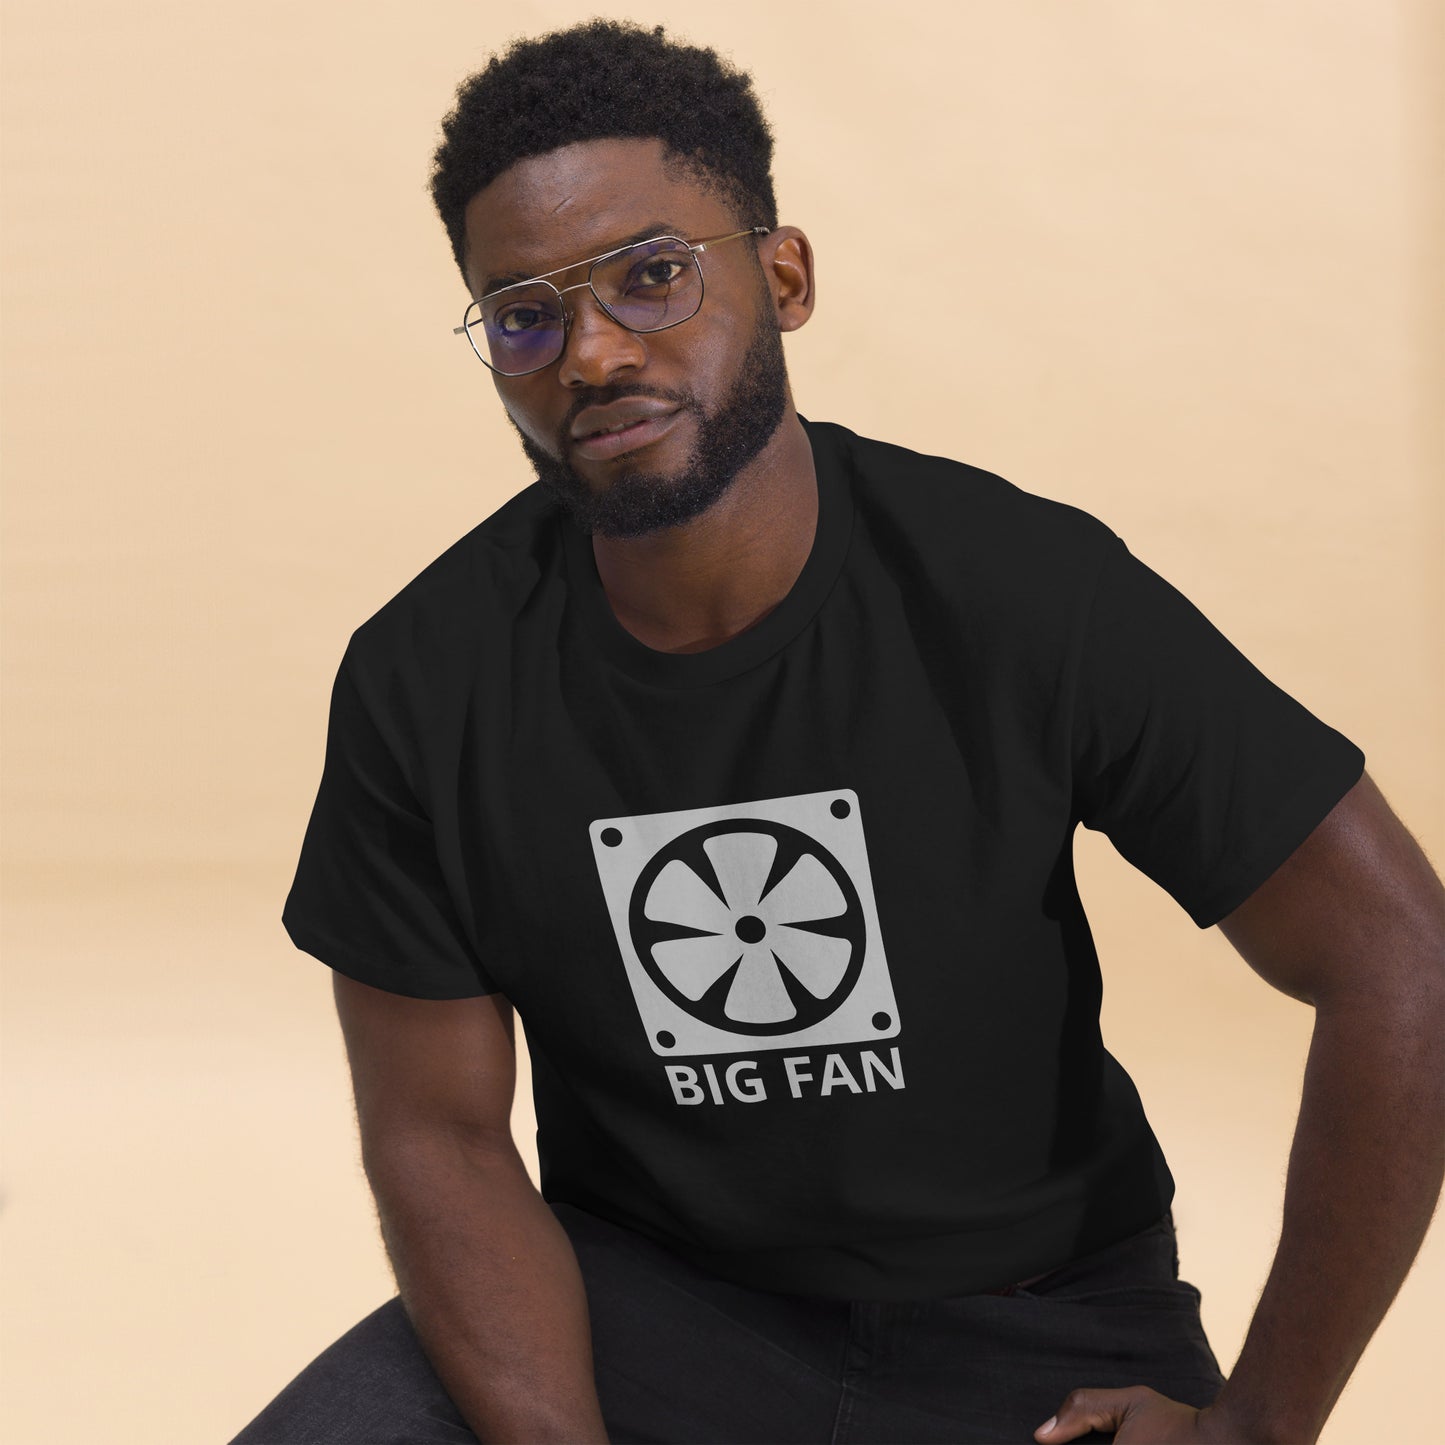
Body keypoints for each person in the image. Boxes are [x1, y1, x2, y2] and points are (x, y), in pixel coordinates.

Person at [230, 19, 1445, 1445]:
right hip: (639, 1309)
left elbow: (1397, 958)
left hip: (1034, 1329)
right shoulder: (422, 678)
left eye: (652, 274)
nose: (594, 352)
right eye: (524, 316)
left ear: (783, 276)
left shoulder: (1015, 587)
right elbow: (436, 1132)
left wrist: (1258, 1424)